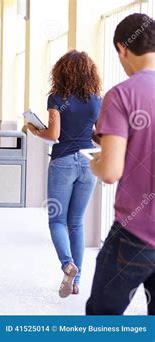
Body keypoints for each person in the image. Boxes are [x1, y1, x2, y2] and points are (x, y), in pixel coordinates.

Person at [86, 13, 155, 315]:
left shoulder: (122, 94)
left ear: (122, 49)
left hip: (135, 234)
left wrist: (96, 163)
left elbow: (111, 172)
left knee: (103, 318)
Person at [26, 50, 102, 298]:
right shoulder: (95, 99)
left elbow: (53, 135)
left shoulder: (57, 97)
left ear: (61, 71)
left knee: (57, 221)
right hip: (89, 161)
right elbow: (98, 134)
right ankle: (76, 281)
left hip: (63, 162)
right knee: (77, 222)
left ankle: (68, 264)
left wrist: (33, 129)